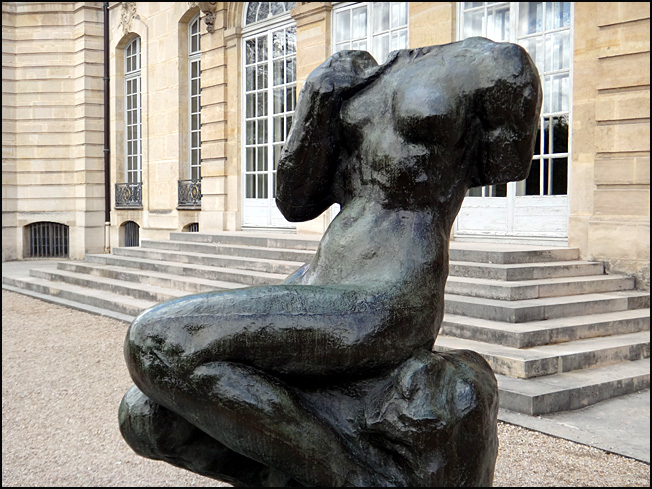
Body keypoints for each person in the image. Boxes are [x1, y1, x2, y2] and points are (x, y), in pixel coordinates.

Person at [119, 36, 542, 487]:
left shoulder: (494, 63)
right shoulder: (353, 75)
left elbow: (507, 166)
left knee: (153, 340)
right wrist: (318, 99)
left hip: (390, 292)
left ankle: (352, 479)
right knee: (144, 416)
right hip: (318, 281)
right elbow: (294, 202)